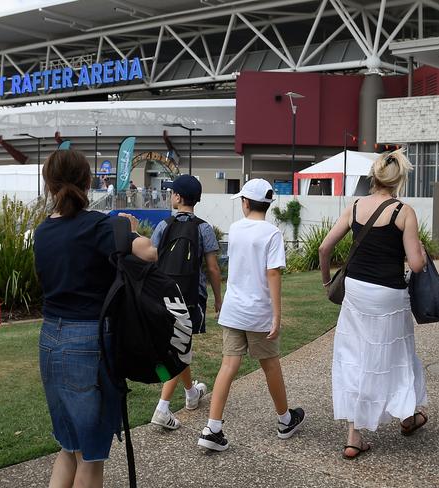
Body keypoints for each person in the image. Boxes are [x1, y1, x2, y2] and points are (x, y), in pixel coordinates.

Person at [34, 149, 157, 488]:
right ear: (88, 182)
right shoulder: (101, 226)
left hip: (50, 340)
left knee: (68, 446)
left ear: (48, 185)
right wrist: (128, 230)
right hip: (89, 343)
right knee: (91, 456)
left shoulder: (42, 232)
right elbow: (149, 252)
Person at [319, 150, 428, 459]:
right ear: (399, 181)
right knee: (396, 355)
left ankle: (354, 437)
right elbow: (417, 265)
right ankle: (408, 416)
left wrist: (327, 281)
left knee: (355, 356)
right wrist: (416, 244)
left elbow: (325, 248)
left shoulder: (354, 207)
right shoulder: (403, 212)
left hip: (355, 291)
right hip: (389, 295)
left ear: (374, 176)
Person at [198, 179, 305, 452]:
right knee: (270, 365)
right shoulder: (272, 234)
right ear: (268, 203)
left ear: (246, 202)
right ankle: (284, 420)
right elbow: (273, 273)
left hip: (234, 311)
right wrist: (277, 316)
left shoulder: (235, 229)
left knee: (228, 366)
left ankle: (213, 428)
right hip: (259, 312)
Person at [150, 175, 222, 430]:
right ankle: (162, 408)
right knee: (180, 348)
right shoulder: (204, 228)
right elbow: (213, 269)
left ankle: (191, 394)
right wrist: (218, 300)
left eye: (172, 192)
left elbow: (151, 258)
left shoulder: (163, 225)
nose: (171, 195)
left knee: (180, 346)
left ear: (178, 198)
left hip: (162, 297)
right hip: (191, 299)